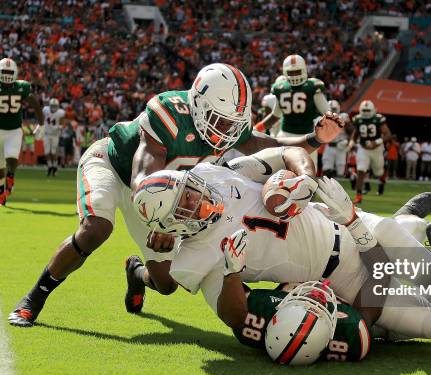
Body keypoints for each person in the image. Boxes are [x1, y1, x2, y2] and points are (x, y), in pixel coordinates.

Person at [132, 152, 431, 364]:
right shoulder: (197, 252)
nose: (198, 198)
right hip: (341, 282)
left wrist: (296, 178)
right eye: (186, 206)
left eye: (190, 189)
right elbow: (232, 315)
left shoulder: (215, 173)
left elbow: (287, 155)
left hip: (348, 227)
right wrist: (226, 271)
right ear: (175, 227)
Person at [7, 63, 342, 328]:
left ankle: (136, 272)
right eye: (218, 121)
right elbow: (143, 175)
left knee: (166, 283)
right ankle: (34, 297)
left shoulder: (229, 125)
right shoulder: (167, 112)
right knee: (97, 229)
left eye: (231, 125)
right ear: (197, 104)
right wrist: (163, 222)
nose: (224, 133)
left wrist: (314, 138)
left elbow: (263, 144)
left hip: (163, 196)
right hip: (114, 168)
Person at [256, 55, 329, 163]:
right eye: (291, 72)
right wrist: (257, 128)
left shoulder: (313, 86)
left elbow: (327, 113)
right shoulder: (281, 88)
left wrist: (323, 124)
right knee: (281, 170)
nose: (294, 75)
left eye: (297, 71)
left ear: (304, 70)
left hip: (308, 137)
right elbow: (275, 115)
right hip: (285, 136)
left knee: (308, 175)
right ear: (285, 73)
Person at [0, 58, 44, 205]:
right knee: (0, 166)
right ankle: (1, 193)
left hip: (13, 130)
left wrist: (41, 124)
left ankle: (10, 176)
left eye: (9, 72)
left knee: (11, 158)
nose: (6, 75)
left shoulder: (21, 87)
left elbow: (34, 103)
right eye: (4, 72)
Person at [349, 100, 391, 203]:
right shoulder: (358, 119)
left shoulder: (378, 119)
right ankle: (358, 195)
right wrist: (351, 143)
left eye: (368, 110)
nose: (366, 112)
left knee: (378, 172)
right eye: (364, 110)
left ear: (373, 110)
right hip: (363, 148)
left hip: (377, 149)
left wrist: (376, 142)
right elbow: (355, 134)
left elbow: (388, 134)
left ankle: (381, 182)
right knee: (361, 170)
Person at [321, 100, 352, 178]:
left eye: (334, 109)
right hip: (329, 145)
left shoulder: (343, 116)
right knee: (327, 168)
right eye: (330, 109)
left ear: (338, 108)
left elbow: (351, 130)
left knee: (340, 171)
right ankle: (329, 188)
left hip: (341, 146)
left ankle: (352, 177)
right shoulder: (324, 117)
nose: (332, 111)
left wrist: (348, 142)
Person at [42, 98, 66, 177]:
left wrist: (59, 127)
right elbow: (42, 119)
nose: (53, 107)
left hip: (55, 135)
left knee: (53, 152)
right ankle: (50, 166)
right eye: (52, 106)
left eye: (55, 106)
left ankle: (55, 167)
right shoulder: (45, 110)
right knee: (46, 152)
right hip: (46, 133)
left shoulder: (60, 113)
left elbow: (62, 123)